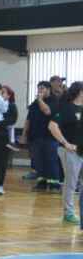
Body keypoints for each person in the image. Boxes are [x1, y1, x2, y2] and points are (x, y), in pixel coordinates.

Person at [48, 79, 83, 224]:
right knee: (71, 183)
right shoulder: (66, 108)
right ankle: (68, 213)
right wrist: (65, 143)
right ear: (80, 92)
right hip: (70, 151)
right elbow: (52, 126)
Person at [26, 81, 63, 190]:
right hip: (36, 137)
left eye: (42, 88)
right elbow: (28, 119)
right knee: (38, 162)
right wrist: (24, 134)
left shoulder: (54, 101)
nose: (40, 90)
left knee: (51, 161)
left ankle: (54, 184)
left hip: (50, 137)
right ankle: (41, 183)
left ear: (48, 89)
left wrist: (40, 99)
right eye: (38, 88)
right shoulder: (35, 103)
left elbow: (47, 111)